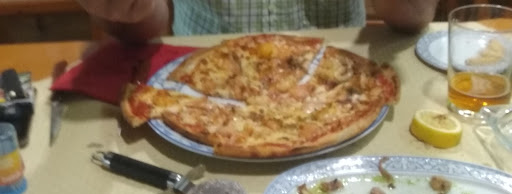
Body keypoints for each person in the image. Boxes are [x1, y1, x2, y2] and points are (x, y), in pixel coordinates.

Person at [77, 0, 439, 42]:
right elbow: (142, 22)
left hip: (342, 87)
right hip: (200, 90)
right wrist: (126, 10)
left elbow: (411, 18)